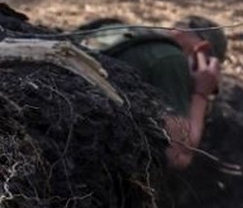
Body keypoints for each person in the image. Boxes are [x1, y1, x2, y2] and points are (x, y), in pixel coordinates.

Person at [76, 16, 226, 170]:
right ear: (202, 50)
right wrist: (201, 93)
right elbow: (177, 156)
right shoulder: (171, 58)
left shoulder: (124, 34)